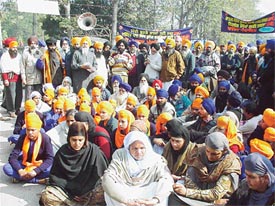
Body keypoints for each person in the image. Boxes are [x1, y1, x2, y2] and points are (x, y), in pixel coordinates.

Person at [40, 122, 109, 205]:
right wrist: (70, 192)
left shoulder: (94, 151)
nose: (77, 144)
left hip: (88, 193)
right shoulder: (63, 152)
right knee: (47, 196)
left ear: (85, 138)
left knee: (105, 190)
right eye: (74, 140)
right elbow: (56, 177)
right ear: (69, 138)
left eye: (80, 140)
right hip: (66, 193)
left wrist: (85, 192)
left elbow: (101, 176)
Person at [102, 131, 174, 206]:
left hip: (148, 193)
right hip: (126, 193)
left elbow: (167, 178)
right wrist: (125, 200)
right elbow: (109, 176)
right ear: (128, 148)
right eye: (135, 148)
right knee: (110, 192)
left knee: (162, 188)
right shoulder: (120, 155)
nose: (139, 152)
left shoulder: (156, 159)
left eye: (142, 148)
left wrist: (155, 199)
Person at [169, 132, 241, 204]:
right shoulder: (198, 152)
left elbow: (216, 193)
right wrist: (195, 195)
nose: (209, 156)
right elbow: (189, 179)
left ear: (224, 151)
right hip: (196, 197)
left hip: (219, 200)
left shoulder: (231, 164)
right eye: (207, 151)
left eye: (214, 154)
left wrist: (187, 192)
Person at [3, 113, 54, 184]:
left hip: (39, 165)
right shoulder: (23, 137)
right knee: (7, 168)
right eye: (28, 130)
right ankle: (38, 181)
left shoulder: (45, 138)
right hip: (25, 164)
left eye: (33, 130)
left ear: (38, 129)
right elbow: (13, 157)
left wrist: (36, 171)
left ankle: (21, 178)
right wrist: (20, 170)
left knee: (52, 170)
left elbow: (50, 159)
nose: (30, 133)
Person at [0, 40, 26, 117]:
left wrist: (23, 77)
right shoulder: (5, 56)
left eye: (16, 47)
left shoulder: (19, 56)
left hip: (18, 77)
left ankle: (17, 109)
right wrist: (5, 79)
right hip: (9, 77)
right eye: (13, 47)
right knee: (11, 94)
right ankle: (11, 110)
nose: (15, 49)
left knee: (19, 94)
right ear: (10, 48)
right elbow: (3, 68)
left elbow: (21, 67)